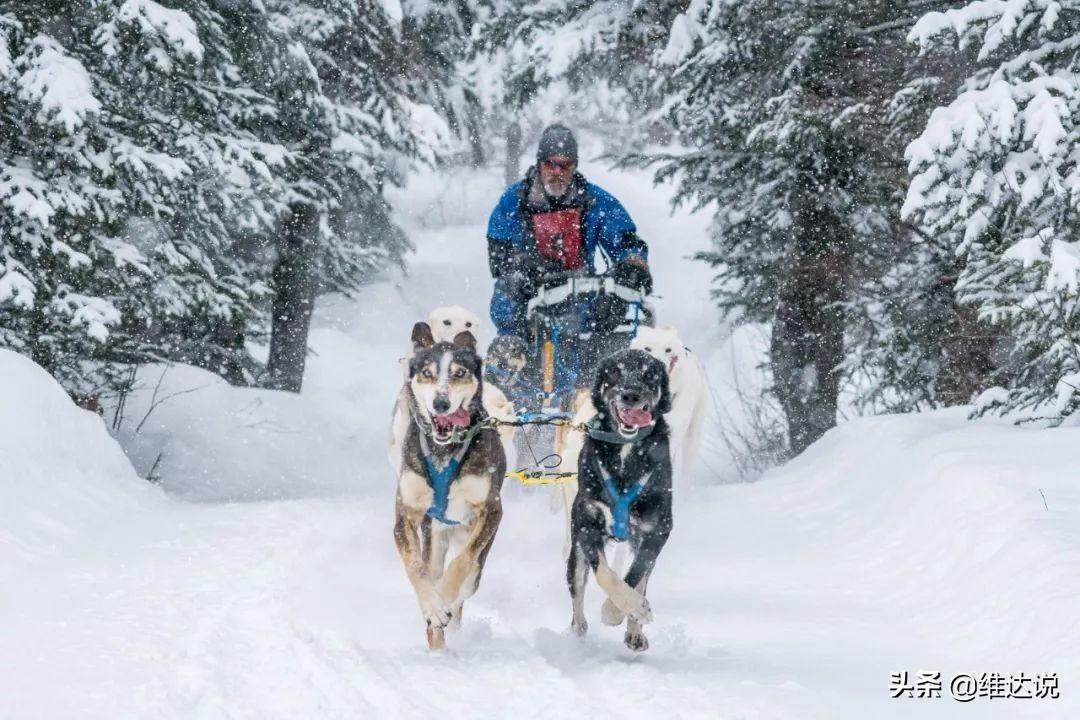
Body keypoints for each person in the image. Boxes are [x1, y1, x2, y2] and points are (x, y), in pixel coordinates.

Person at [486, 124, 652, 339]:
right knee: (507, 293)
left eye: (565, 166)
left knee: (608, 303)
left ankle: (602, 360)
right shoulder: (515, 201)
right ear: (539, 164)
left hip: (579, 286)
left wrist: (632, 266)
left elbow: (626, 242)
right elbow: (499, 254)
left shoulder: (594, 201)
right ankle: (514, 353)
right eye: (550, 164)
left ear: (574, 168)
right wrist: (522, 266)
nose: (557, 172)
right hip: (531, 285)